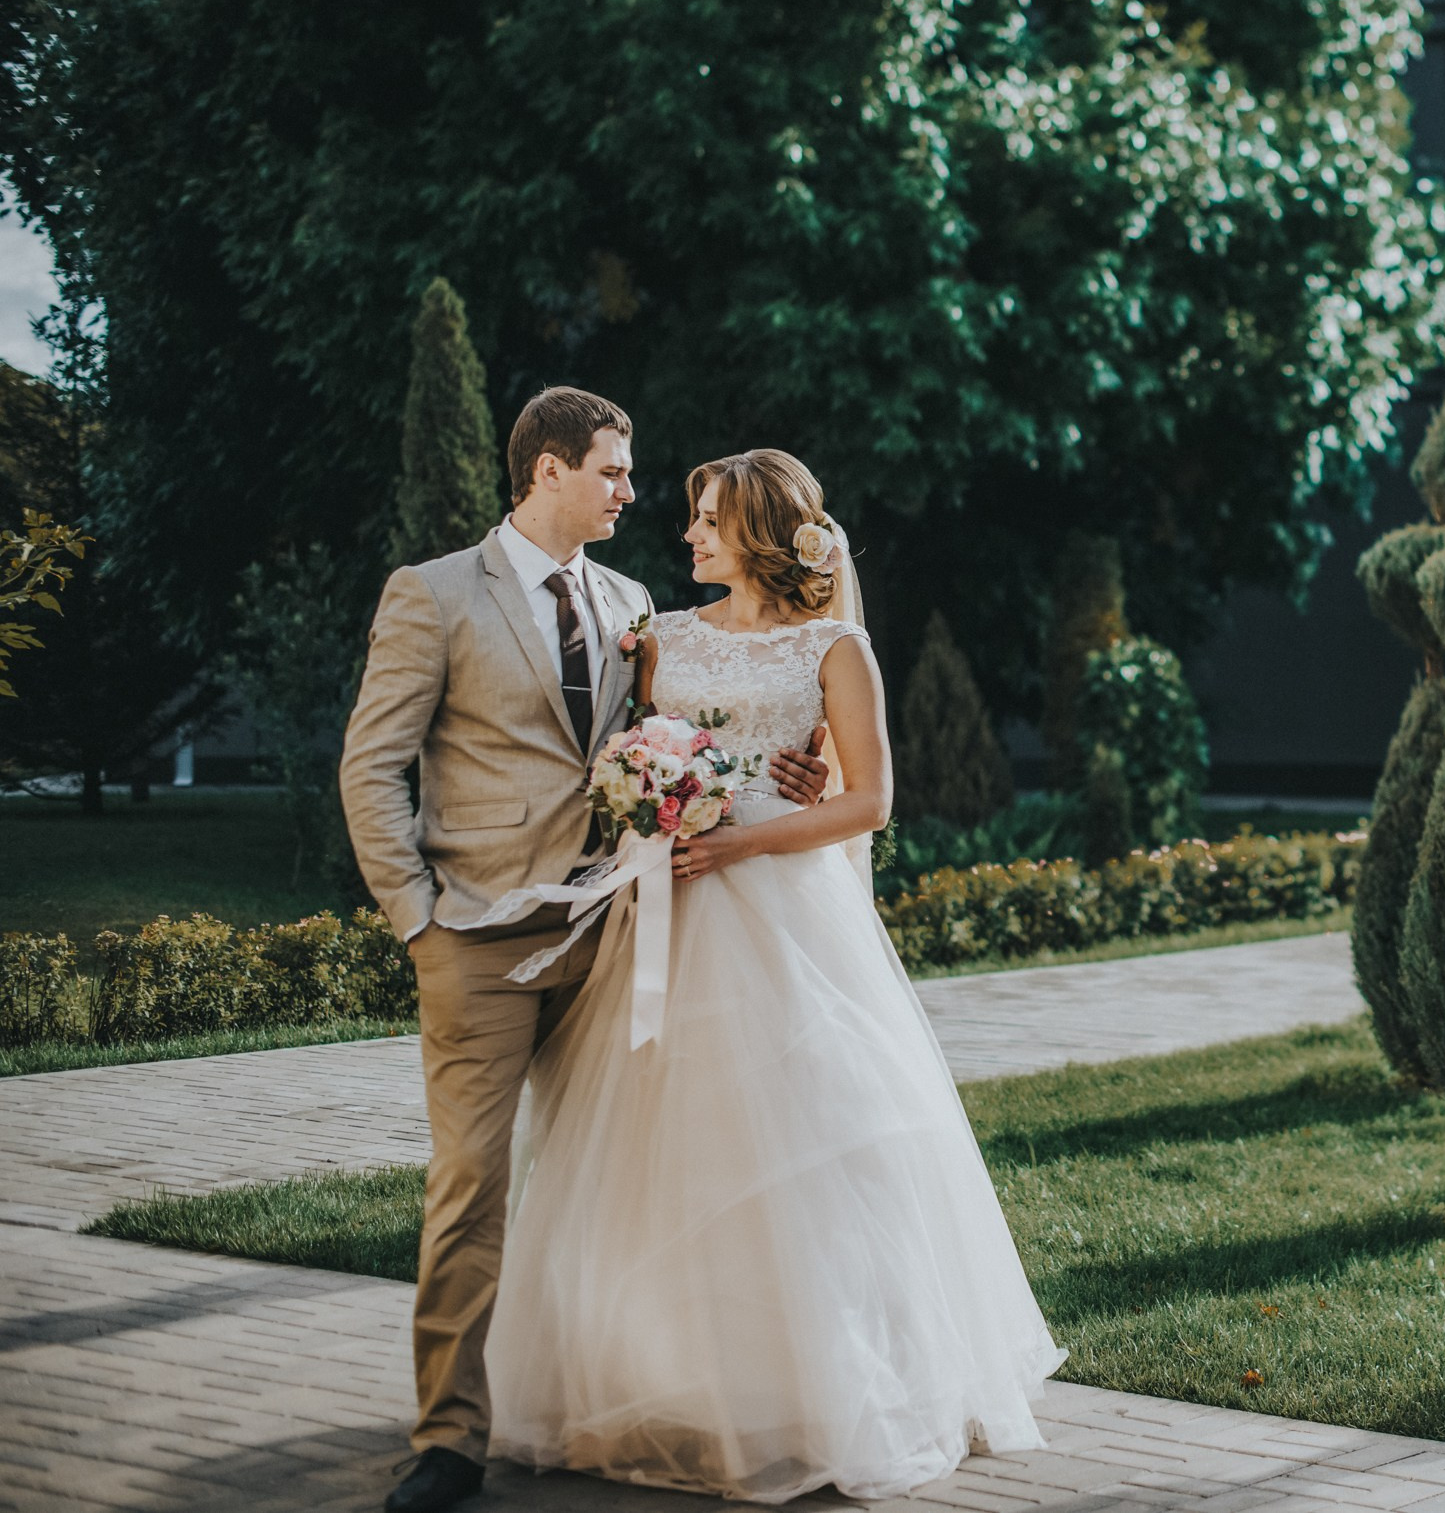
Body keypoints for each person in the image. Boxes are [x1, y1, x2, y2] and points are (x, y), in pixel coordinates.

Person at [482, 448, 1063, 1502]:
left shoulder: (836, 646)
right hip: (669, 906)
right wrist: (647, 807)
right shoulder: (663, 637)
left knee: (804, 1141)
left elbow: (870, 802)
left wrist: (745, 839)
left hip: (781, 910)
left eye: (707, 520)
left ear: (757, 531)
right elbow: (634, 749)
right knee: (655, 1144)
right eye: (694, 518)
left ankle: (823, 1390)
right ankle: (667, 1379)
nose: (689, 536)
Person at [340, 391, 831, 1513]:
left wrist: (788, 777)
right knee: (474, 1184)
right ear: (550, 470)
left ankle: (609, 1393)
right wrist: (417, 916)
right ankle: (449, 1442)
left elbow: (677, 745)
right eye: (614, 471)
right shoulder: (433, 596)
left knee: (621, 1178)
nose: (630, 491)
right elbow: (371, 769)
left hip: (618, 933)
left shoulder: (632, 604)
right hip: (475, 936)